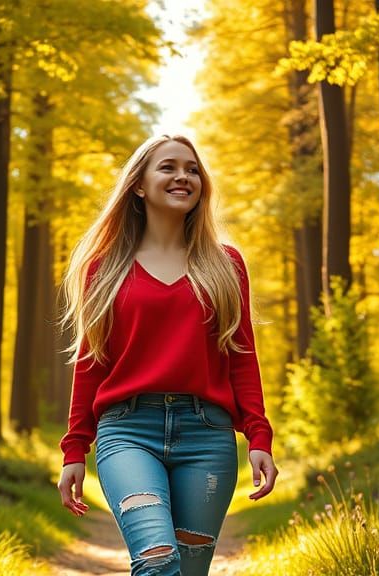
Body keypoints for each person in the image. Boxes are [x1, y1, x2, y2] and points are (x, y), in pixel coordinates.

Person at [56, 134, 277, 576]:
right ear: (138, 185)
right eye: (169, 167)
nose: (183, 177)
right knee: (158, 561)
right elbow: (91, 361)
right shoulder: (105, 266)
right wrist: (74, 448)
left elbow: (241, 355)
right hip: (127, 432)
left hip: (208, 437)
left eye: (192, 169)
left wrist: (258, 435)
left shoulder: (226, 263)